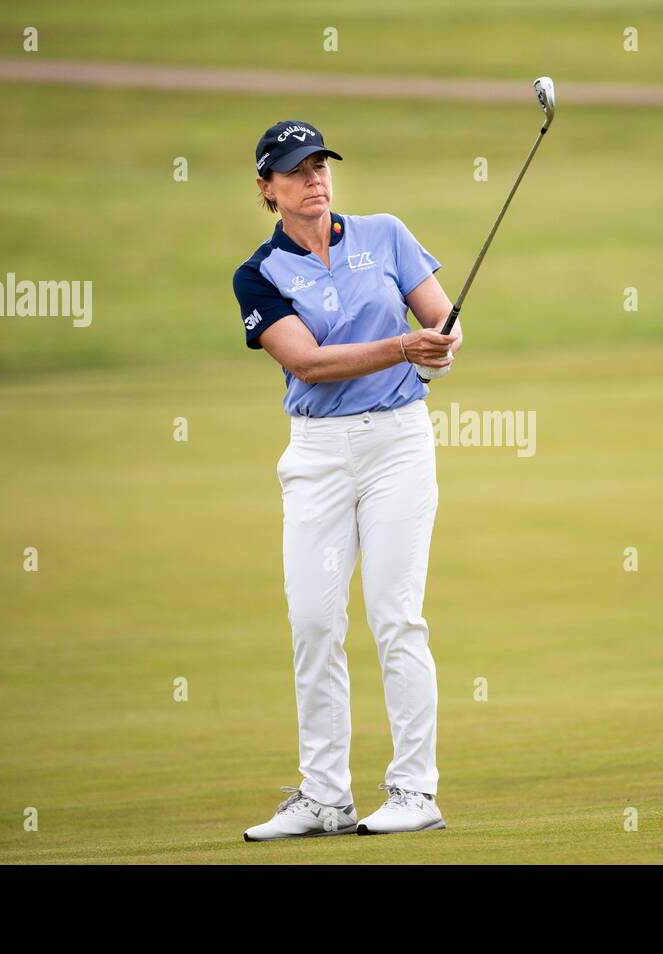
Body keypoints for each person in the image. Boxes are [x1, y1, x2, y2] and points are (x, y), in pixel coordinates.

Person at [234, 120, 461, 840]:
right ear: (267, 189)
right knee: (313, 621)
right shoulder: (258, 275)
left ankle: (414, 792)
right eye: (296, 171)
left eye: (321, 165)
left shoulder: (386, 234)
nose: (315, 179)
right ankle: (325, 797)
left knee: (396, 617)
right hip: (319, 455)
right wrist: (402, 345)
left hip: (397, 443)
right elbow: (307, 362)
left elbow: (441, 324)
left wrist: (440, 348)